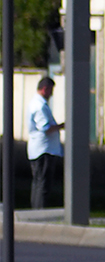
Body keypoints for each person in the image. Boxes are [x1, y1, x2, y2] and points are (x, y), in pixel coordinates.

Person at [27, 77, 64, 210]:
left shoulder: (35, 103)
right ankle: (39, 210)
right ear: (45, 89)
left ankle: (36, 208)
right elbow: (46, 127)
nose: (51, 94)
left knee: (38, 182)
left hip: (39, 149)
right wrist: (61, 126)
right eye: (50, 90)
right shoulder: (40, 106)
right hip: (44, 149)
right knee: (43, 183)